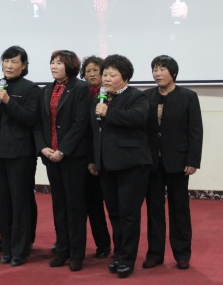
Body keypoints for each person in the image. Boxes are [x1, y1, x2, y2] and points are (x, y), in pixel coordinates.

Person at [88, 54, 152, 278]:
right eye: (104, 74)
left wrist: (109, 113)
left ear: (125, 77)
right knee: (114, 213)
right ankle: (118, 253)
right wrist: (93, 159)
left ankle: (127, 259)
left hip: (132, 166)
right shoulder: (99, 99)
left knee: (128, 214)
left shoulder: (137, 96)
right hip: (106, 165)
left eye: (112, 75)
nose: (106, 78)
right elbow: (94, 133)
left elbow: (137, 118)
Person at [0, 46, 40, 267]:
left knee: (20, 201)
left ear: (24, 65)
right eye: (6, 61)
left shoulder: (31, 88)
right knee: (3, 202)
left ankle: (21, 249)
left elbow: (31, 118)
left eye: (14, 61)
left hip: (20, 153)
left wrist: (8, 101)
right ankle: (6, 245)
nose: (9, 65)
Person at [142, 55, 203, 271]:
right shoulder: (146, 96)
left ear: (173, 73)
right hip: (152, 162)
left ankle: (182, 254)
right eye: (155, 69)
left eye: (162, 69)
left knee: (179, 209)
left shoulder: (188, 96)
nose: (157, 74)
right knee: (154, 209)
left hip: (178, 161)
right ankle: (155, 254)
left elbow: (195, 131)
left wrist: (192, 160)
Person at [34, 50, 89, 271]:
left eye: (59, 63)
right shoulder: (46, 90)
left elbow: (80, 123)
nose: (54, 66)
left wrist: (63, 150)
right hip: (50, 156)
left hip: (72, 157)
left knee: (75, 206)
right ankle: (62, 249)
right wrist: (43, 147)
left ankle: (76, 254)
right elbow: (39, 122)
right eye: (52, 62)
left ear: (70, 66)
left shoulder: (81, 88)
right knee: (59, 205)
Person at [79, 56, 111, 258]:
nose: (91, 74)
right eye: (87, 71)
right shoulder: (81, 93)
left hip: (107, 158)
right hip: (84, 158)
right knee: (92, 205)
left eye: (95, 70)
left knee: (113, 207)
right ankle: (102, 244)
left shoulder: (109, 95)